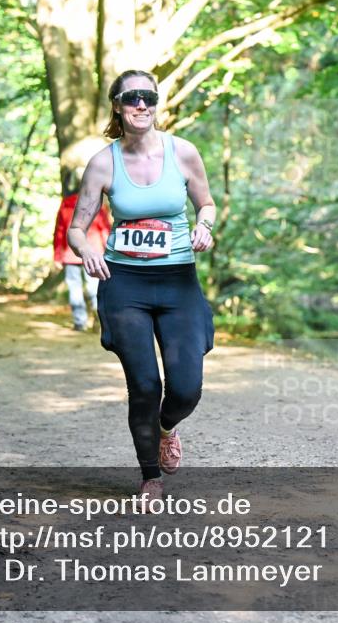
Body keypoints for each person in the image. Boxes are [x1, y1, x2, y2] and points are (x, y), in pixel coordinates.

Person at [68, 69, 216, 508]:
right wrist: (88, 248)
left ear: (157, 103)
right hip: (124, 282)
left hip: (178, 282)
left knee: (186, 388)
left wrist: (204, 225)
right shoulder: (103, 162)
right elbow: (78, 228)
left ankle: (167, 430)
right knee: (145, 385)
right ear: (116, 103)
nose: (141, 104)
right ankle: (150, 475)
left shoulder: (183, 153)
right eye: (132, 97)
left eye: (149, 97)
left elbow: (205, 203)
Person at [53, 190, 111, 331]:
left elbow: (60, 231)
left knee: (75, 288)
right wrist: (109, 250)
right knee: (95, 288)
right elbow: (104, 229)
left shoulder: (65, 205)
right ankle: (100, 319)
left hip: (71, 253)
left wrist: (57, 255)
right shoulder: (95, 204)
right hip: (94, 252)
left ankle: (80, 322)